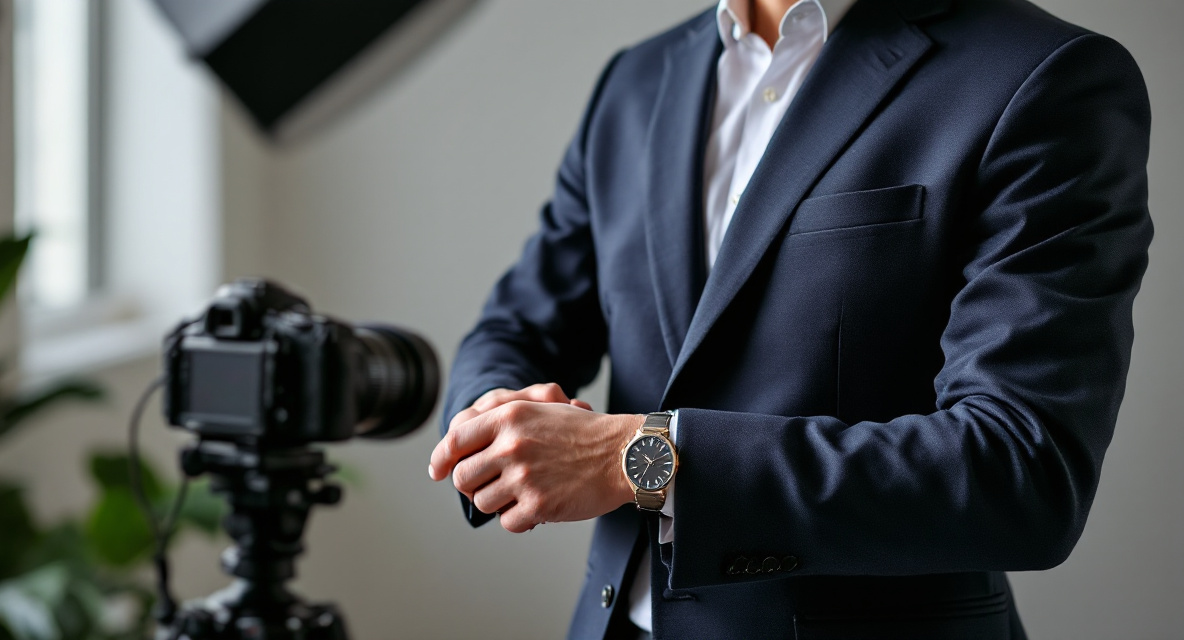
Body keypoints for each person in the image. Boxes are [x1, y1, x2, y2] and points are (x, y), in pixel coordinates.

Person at [428, 0, 1152, 637]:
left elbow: (1020, 474)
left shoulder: (1041, 75)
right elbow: (516, 327)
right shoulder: (635, 81)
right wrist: (494, 416)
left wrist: (636, 458)